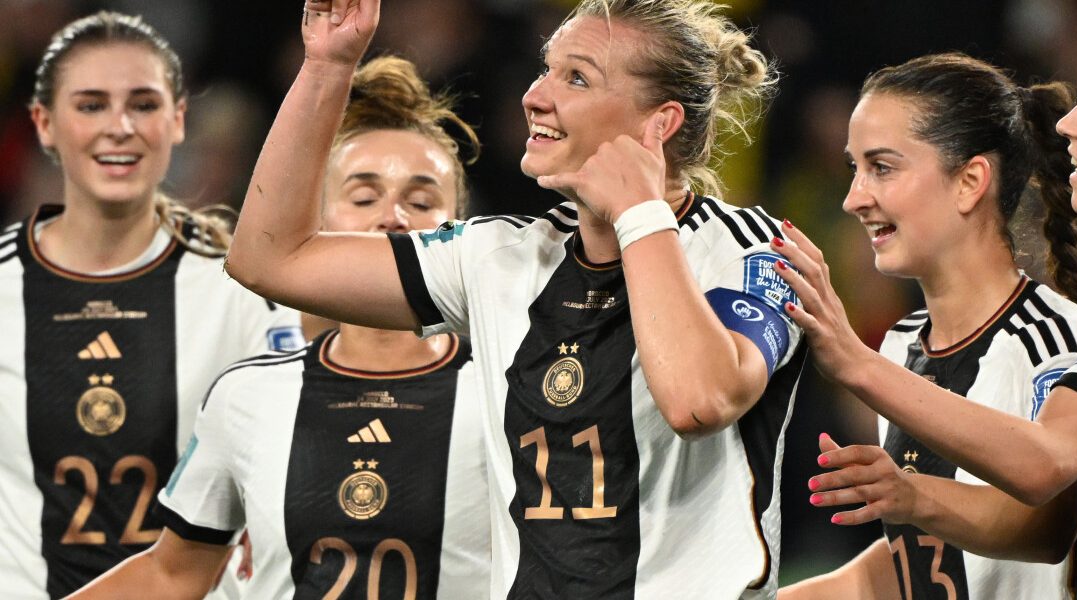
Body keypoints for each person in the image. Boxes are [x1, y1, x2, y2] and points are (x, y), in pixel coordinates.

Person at [225, 0, 806, 597]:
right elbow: (268, 258)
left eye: (575, 77)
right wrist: (327, 66)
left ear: (658, 124)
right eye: (545, 69)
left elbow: (699, 402)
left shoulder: (754, 251)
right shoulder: (498, 257)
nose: (534, 96)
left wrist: (638, 213)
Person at [773, 12, 1077, 600]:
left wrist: (854, 362)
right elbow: (924, 564)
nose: (1069, 123)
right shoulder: (905, 342)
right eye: (855, 167)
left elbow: (1046, 490)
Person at [67, 54, 490, 600]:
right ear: (314, 224)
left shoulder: (509, 392)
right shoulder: (248, 395)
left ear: (462, 229)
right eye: (363, 196)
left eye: (422, 199)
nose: (394, 217)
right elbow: (172, 572)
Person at [0, 11, 304, 599]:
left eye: (142, 104)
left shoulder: (241, 291)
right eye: (90, 105)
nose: (119, 127)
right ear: (43, 123)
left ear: (179, 119)